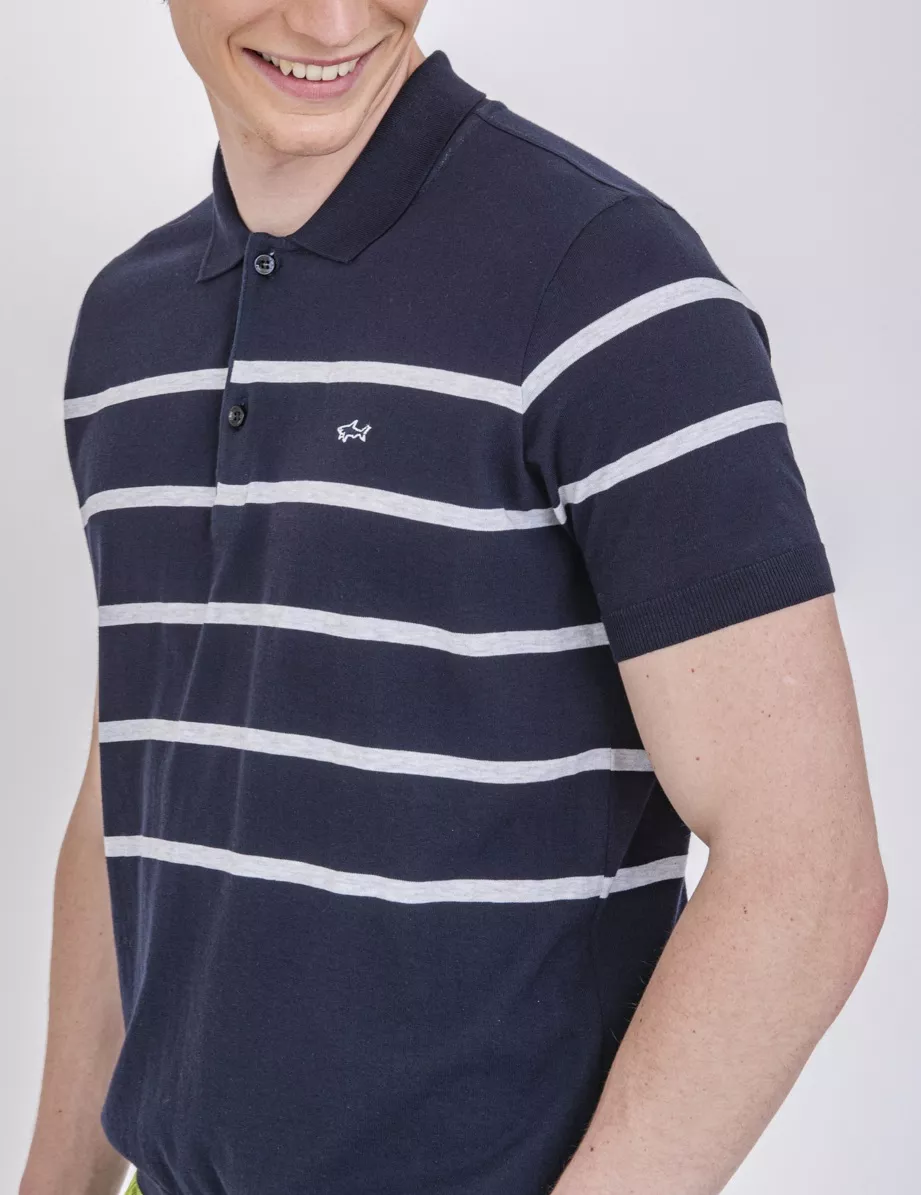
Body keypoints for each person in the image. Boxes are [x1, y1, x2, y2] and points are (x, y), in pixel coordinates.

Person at [20, 3, 888, 1194]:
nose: (332, 18)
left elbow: (809, 871)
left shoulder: (612, 285)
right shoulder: (126, 331)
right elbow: (134, 782)